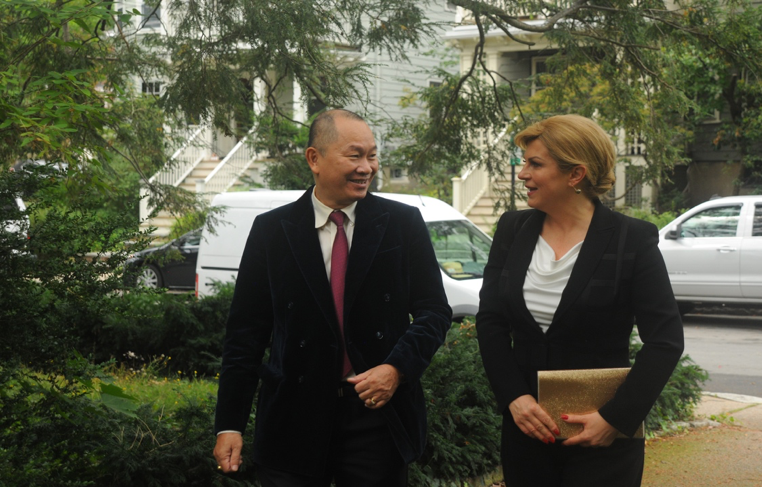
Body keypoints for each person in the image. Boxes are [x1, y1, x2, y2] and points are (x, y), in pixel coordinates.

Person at [213, 108, 452, 486]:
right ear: (314, 159)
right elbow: (245, 335)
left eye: (372, 155)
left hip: (377, 417)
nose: (367, 167)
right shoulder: (272, 231)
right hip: (293, 419)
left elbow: (434, 311)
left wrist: (397, 369)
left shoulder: (402, 224)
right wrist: (229, 424)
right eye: (354, 155)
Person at [476, 114, 684, 486]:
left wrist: (616, 419)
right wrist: (514, 398)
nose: (522, 173)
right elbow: (491, 321)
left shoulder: (631, 240)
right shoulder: (512, 228)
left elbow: (665, 341)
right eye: (524, 162)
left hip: (601, 440)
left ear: (576, 174)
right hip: (527, 433)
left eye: (535, 164)